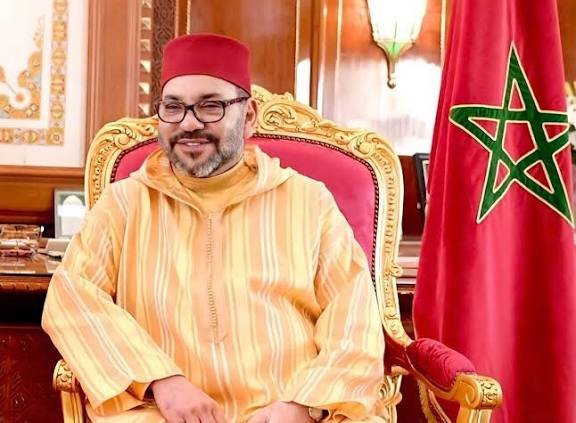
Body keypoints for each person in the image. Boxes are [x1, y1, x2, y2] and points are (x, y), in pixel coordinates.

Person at [42, 33, 385, 423]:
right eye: (174, 107)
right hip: (163, 413)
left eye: (210, 106)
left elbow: (355, 320)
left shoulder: (309, 202)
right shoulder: (125, 203)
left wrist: (304, 405)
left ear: (249, 116)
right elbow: (71, 298)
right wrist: (161, 380)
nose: (189, 123)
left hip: (290, 410)